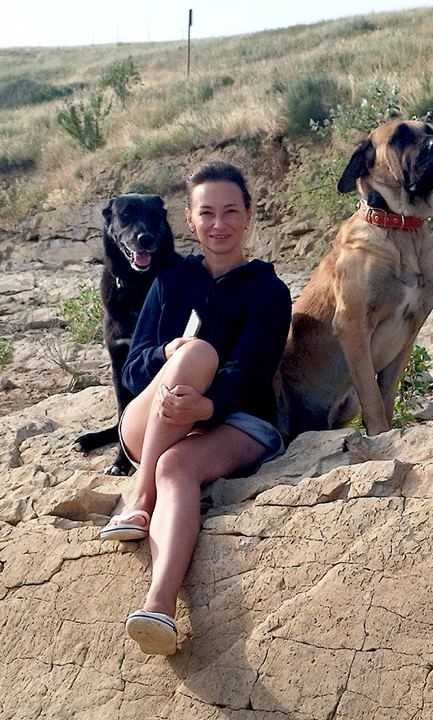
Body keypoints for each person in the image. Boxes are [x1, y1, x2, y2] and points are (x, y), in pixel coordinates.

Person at [97, 160, 292, 656]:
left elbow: (251, 373)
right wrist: (168, 354)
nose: (218, 224)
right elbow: (132, 369)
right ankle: (142, 493)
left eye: (230, 211)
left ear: (249, 214)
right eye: (206, 213)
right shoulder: (169, 281)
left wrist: (205, 406)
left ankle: (158, 606)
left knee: (176, 466)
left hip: (236, 422)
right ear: (189, 219)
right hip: (152, 418)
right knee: (194, 353)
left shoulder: (269, 291)